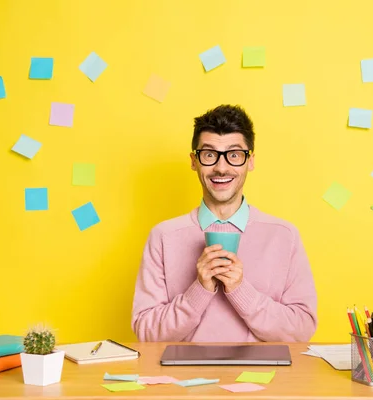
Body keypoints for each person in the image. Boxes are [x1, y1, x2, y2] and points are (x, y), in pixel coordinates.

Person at [131, 104, 317, 342]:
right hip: (181, 377)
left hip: (264, 377)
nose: (221, 167)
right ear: (193, 161)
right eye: (209, 154)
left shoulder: (284, 235)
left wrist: (241, 290)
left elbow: (302, 329)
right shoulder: (163, 236)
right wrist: (199, 290)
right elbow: (146, 333)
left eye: (234, 155)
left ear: (250, 161)